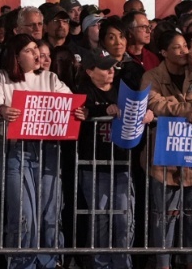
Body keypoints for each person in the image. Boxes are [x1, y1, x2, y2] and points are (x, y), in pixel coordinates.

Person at [0, 33, 85, 269]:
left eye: (36, 49)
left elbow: (69, 101)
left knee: (50, 213)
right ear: (16, 57)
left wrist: (79, 112)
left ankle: (50, 263)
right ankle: (21, 264)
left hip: (47, 150)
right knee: (23, 214)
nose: (36, 54)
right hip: (14, 150)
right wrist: (1, 110)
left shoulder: (50, 78)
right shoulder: (3, 78)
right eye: (29, 50)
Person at [141, 29, 192, 269]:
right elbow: (154, 103)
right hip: (163, 159)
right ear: (164, 52)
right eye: (177, 47)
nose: (184, 51)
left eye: (185, 46)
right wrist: (190, 108)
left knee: (191, 213)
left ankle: (189, 263)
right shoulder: (152, 76)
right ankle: (163, 264)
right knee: (164, 216)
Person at [73, 51, 149, 269]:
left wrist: (147, 115)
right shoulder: (83, 92)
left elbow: (139, 108)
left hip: (122, 165)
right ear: (89, 71)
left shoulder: (121, 91)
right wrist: (99, 110)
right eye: (104, 68)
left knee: (125, 219)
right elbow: (81, 109)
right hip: (94, 166)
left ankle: (123, 264)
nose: (110, 71)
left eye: (112, 67)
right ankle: (101, 264)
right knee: (100, 219)